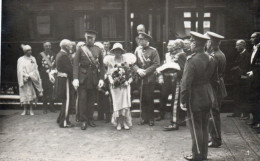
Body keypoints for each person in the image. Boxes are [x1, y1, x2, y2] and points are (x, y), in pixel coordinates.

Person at [181, 31, 215, 161]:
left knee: (195, 128)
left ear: (195, 44)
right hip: (207, 94)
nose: (190, 44)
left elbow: (185, 83)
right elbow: (212, 78)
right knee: (204, 127)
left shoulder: (191, 60)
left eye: (191, 41)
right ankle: (203, 154)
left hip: (194, 97)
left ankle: (197, 155)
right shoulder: (211, 58)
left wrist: (183, 100)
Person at [72, 30, 105, 130]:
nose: (89, 39)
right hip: (83, 78)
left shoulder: (98, 49)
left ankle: (90, 119)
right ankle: (83, 120)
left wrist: (101, 79)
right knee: (82, 99)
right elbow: (75, 65)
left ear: (94, 39)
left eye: (91, 38)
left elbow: (102, 66)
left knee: (91, 100)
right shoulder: (81, 49)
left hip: (94, 78)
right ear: (85, 38)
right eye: (87, 38)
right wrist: (75, 78)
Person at [156, 39, 187, 131]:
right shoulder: (180, 55)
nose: (173, 47)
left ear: (178, 47)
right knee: (177, 102)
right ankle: (181, 121)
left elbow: (181, 70)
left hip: (178, 82)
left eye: (175, 45)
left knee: (175, 102)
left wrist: (170, 72)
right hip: (177, 81)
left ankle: (174, 123)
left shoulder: (180, 56)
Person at [103, 43, 136, 130]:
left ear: (121, 51)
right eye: (115, 51)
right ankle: (118, 122)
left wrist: (127, 82)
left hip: (124, 86)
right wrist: (112, 81)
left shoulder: (126, 61)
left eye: (119, 51)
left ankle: (125, 122)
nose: (117, 52)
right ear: (113, 52)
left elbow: (131, 74)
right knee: (117, 104)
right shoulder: (110, 60)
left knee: (124, 104)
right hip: (115, 87)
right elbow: (109, 73)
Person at [133, 32, 160, 126]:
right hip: (140, 77)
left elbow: (156, 64)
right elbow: (133, 63)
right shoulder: (137, 50)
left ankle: (151, 118)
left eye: (141, 39)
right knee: (142, 98)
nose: (139, 41)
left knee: (149, 98)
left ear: (147, 40)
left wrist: (146, 71)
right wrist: (138, 70)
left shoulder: (153, 51)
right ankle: (144, 118)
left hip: (149, 78)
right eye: (139, 39)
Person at [206, 31, 227, 148]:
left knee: (213, 113)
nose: (206, 44)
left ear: (211, 42)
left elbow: (210, 75)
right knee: (214, 113)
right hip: (219, 85)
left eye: (207, 41)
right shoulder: (221, 53)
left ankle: (215, 139)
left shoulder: (213, 56)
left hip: (213, 87)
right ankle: (214, 137)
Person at [227, 40, 251, 119]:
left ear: (243, 45)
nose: (235, 47)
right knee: (237, 96)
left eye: (237, 45)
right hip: (237, 79)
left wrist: (237, 69)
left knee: (244, 97)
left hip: (243, 79)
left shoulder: (247, 55)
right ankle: (237, 113)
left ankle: (246, 114)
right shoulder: (239, 55)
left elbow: (246, 68)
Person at [17, 44, 43, 115]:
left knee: (31, 94)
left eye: (30, 50)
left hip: (31, 79)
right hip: (24, 79)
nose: (30, 51)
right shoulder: (20, 59)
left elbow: (35, 69)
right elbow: (19, 70)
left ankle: (31, 110)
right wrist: (25, 76)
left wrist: (31, 75)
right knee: (25, 94)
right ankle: (25, 110)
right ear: (25, 51)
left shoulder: (33, 58)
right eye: (28, 50)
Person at [54, 39, 74, 128]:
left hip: (61, 79)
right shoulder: (64, 56)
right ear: (66, 46)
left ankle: (60, 118)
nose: (71, 47)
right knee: (67, 101)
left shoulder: (60, 54)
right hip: (65, 80)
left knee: (65, 101)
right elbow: (70, 70)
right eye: (70, 46)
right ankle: (64, 122)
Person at [247, 32, 260, 131]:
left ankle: (258, 121)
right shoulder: (254, 48)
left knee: (257, 100)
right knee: (253, 100)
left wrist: (254, 72)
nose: (251, 39)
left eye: (253, 38)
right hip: (254, 79)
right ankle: (256, 120)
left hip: (258, 79)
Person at [39, 41, 56, 113]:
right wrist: (45, 71)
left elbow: (55, 64)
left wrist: (53, 71)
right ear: (44, 46)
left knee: (52, 91)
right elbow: (39, 66)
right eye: (46, 46)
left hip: (52, 75)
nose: (48, 47)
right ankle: (45, 108)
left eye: (49, 46)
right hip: (44, 76)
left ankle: (52, 107)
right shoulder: (40, 55)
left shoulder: (54, 54)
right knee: (45, 91)